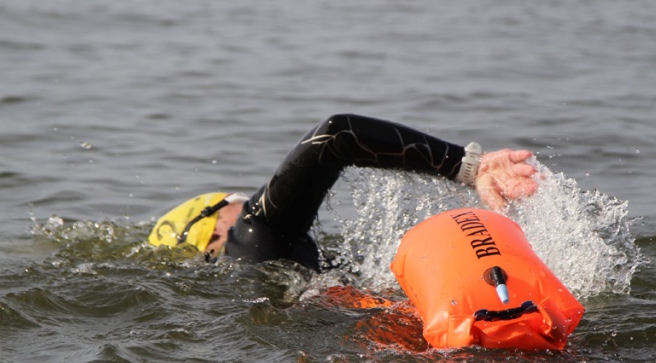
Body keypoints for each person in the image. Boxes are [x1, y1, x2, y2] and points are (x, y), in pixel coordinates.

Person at [148, 113, 539, 270]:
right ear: (212, 233)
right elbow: (337, 135)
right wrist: (466, 166)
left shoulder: (249, 268)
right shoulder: (253, 230)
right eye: (234, 202)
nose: (249, 200)